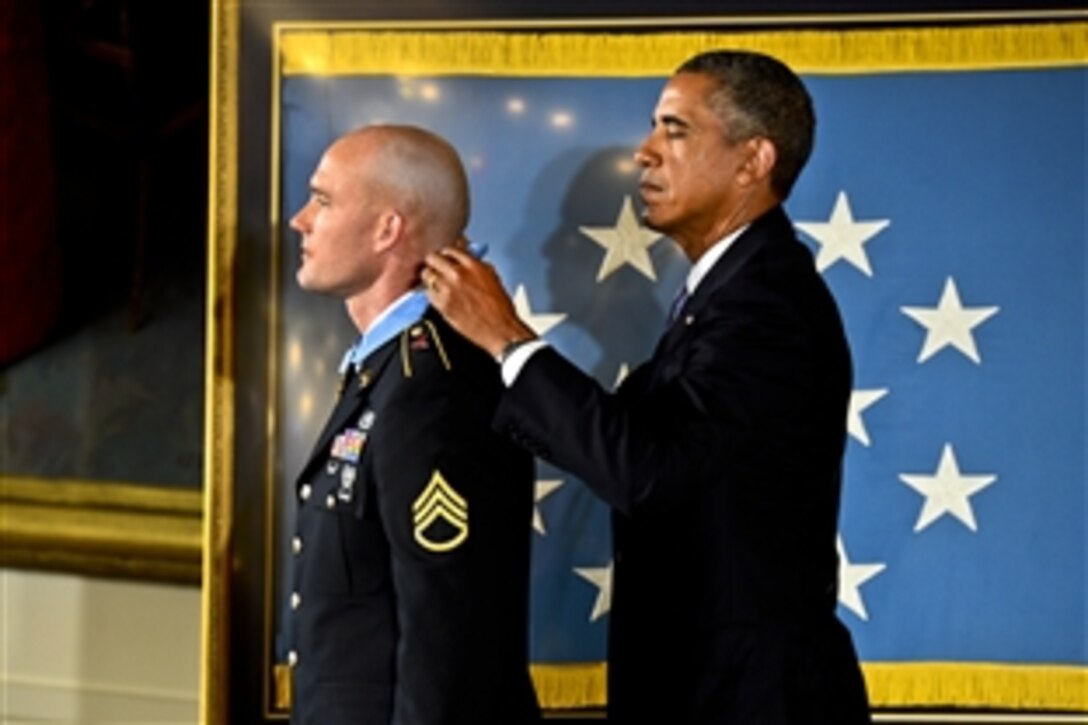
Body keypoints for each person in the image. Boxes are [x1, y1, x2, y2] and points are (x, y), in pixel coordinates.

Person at [422, 50, 872, 723]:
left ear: (753, 161)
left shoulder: (765, 305)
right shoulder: (724, 294)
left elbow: (649, 469)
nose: (645, 152)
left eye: (676, 130)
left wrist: (508, 337)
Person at [286, 124, 541, 724]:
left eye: (322, 201)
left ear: (387, 229)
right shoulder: (389, 368)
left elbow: (446, 644)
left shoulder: (433, 388)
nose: (300, 219)